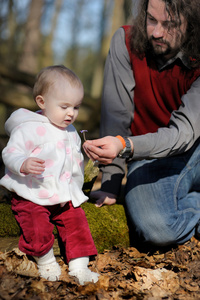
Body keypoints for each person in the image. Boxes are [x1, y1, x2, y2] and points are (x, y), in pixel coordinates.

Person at [83, 0, 200, 249]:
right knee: (157, 229)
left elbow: (184, 133)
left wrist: (124, 145)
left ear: (192, 24)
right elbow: (116, 118)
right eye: (151, 20)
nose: (157, 32)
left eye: (170, 25)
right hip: (148, 157)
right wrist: (111, 185)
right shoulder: (125, 42)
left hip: (195, 151)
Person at [0, 65, 99, 285]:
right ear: (41, 102)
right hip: (31, 192)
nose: (71, 113)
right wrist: (22, 163)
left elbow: (71, 163)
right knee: (35, 225)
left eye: (76, 107)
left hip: (62, 194)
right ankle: (45, 260)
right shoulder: (28, 128)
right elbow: (10, 152)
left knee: (77, 221)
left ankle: (79, 266)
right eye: (64, 106)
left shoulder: (71, 132)